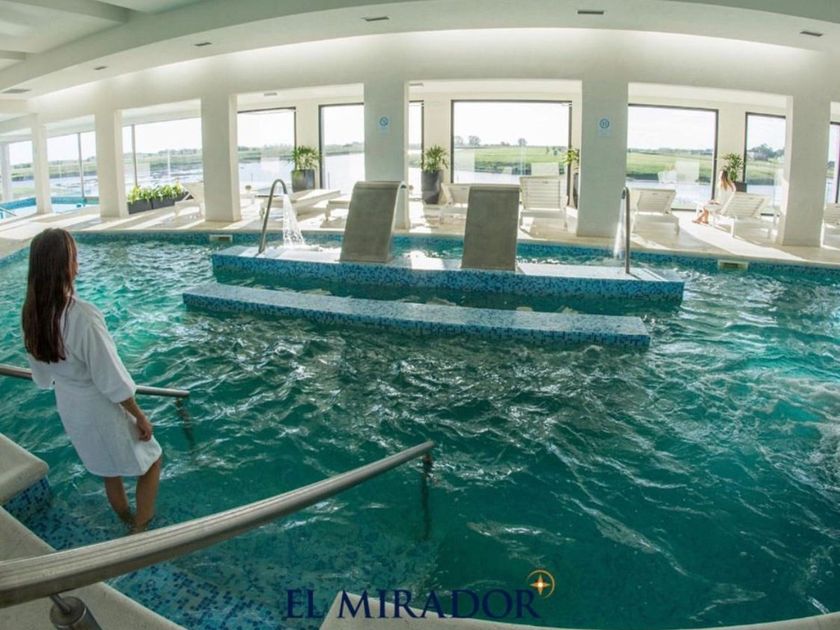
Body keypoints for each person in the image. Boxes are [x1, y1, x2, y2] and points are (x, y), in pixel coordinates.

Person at [21, 228, 162, 533]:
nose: (78, 261)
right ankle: (141, 532)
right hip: (100, 407)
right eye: (74, 255)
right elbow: (110, 376)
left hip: (71, 407)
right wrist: (139, 415)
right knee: (151, 462)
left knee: (109, 471)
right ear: (64, 265)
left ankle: (126, 521)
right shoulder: (82, 316)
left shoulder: (32, 316)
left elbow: (42, 379)